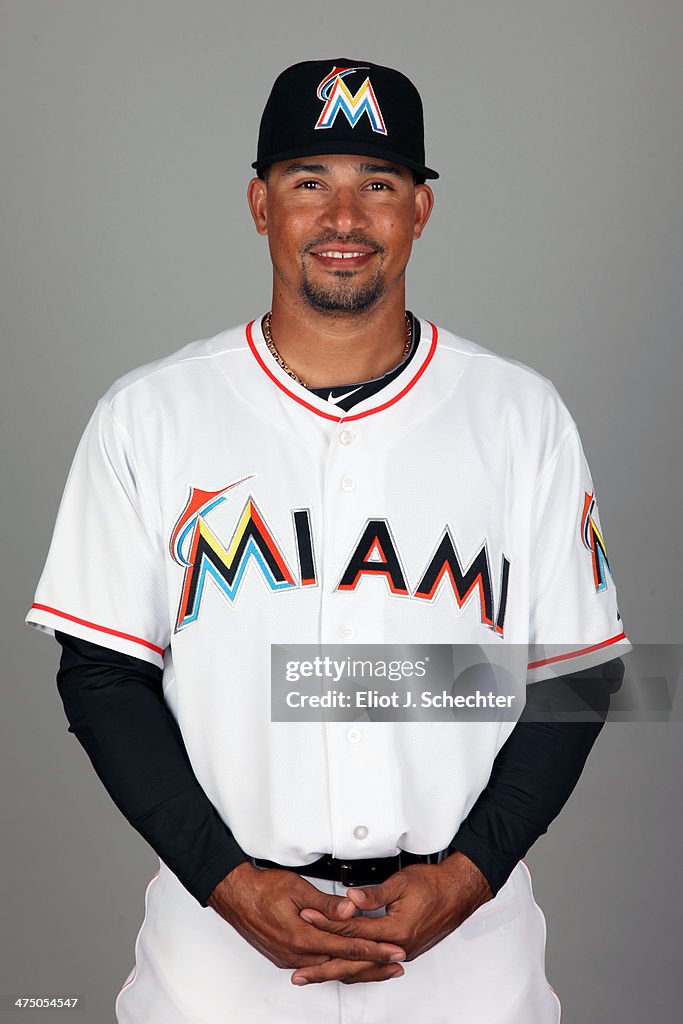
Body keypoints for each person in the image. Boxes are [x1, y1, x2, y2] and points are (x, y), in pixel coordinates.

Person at [27, 59, 631, 1022]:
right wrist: (227, 883)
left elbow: (579, 676)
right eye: (310, 182)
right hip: (214, 961)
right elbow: (101, 676)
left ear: (420, 210)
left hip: (467, 964)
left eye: (377, 185)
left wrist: (466, 877)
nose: (343, 217)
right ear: (260, 204)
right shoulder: (150, 415)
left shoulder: (520, 416)